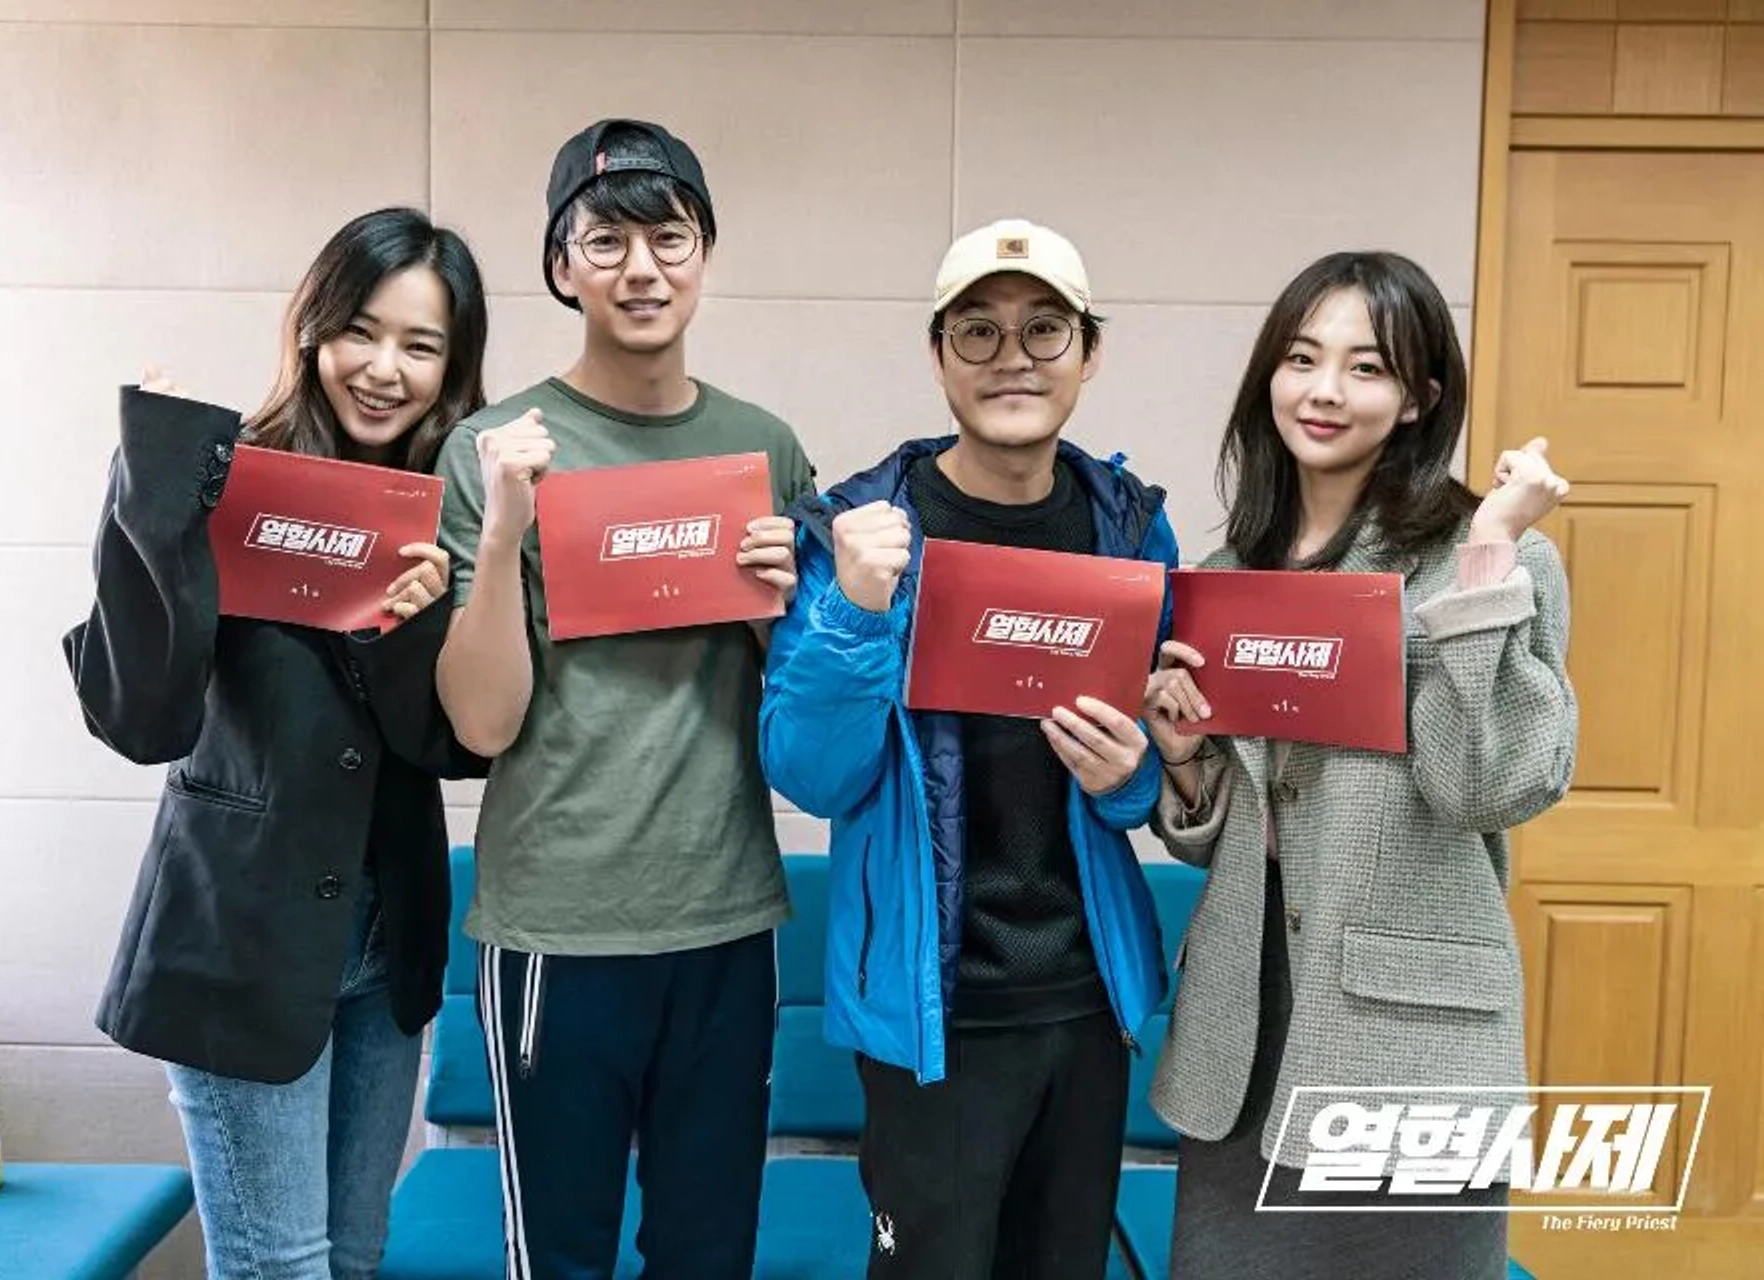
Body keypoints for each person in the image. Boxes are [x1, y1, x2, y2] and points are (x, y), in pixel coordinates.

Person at [63, 207, 492, 1280]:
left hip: (387, 946)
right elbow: (138, 718)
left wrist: (417, 625)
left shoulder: (448, 510)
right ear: (313, 328)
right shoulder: (220, 482)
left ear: (453, 369)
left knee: (352, 1258)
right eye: (362, 328)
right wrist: (148, 503)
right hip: (240, 945)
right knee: (278, 1268)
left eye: (422, 344)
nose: (384, 367)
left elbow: (459, 747)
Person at [1142, 250, 1578, 1279]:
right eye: (1303, 357)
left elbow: (1493, 785)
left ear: (1422, 397)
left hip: (1409, 1037)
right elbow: (1235, 830)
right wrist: (1187, 764)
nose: (1325, 389)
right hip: (1243, 1032)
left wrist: (1482, 565)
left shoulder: (1499, 562)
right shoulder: (1228, 573)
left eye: (1366, 365)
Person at [759, 218, 1181, 1279]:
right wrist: (855, 611)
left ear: (1090, 352)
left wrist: (1127, 772)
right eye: (978, 332)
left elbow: (1148, 790)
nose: (1013, 360)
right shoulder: (862, 529)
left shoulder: (1129, 528)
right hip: (929, 1016)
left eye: (1045, 331)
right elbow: (811, 771)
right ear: (937, 353)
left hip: (1083, 1005)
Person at [432, 119, 816, 1280]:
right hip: (559, 921)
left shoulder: (763, 447)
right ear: (561, 265)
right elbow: (481, 721)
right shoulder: (495, 447)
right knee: (561, 1257)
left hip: (727, 916)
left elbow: (804, 710)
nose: (641, 267)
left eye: (668, 236)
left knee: (708, 1253)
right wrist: (506, 527)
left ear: (704, 254)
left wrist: (776, 610)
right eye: (606, 240)